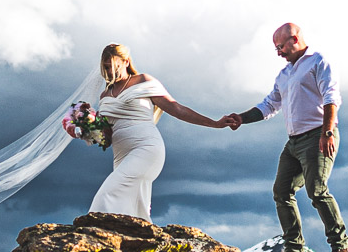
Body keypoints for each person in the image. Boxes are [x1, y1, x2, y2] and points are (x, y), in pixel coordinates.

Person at [220, 23, 348, 252]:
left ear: (294, 38)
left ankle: (341, 246)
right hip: (293, 142)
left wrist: (328, 132)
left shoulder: (318, 61)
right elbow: (270, 105)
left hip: (317, 135)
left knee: (317, 190)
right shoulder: (284, 75)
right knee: (281, 191)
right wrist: (241, 118)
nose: (278, 52)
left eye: (280, 47)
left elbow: (332, 97)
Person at [60, 43, 232, 221]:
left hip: (146, 148)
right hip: (121, 157)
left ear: (126, 61)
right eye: (105, 67)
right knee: (128, 211)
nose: (109, 71)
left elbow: (177, 109)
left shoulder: (143, 81)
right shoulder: (104, 96)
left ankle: (90, 241)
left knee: (106, 196)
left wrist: (215, 123)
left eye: (112, 66)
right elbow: (106, 139)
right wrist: (88, 127)